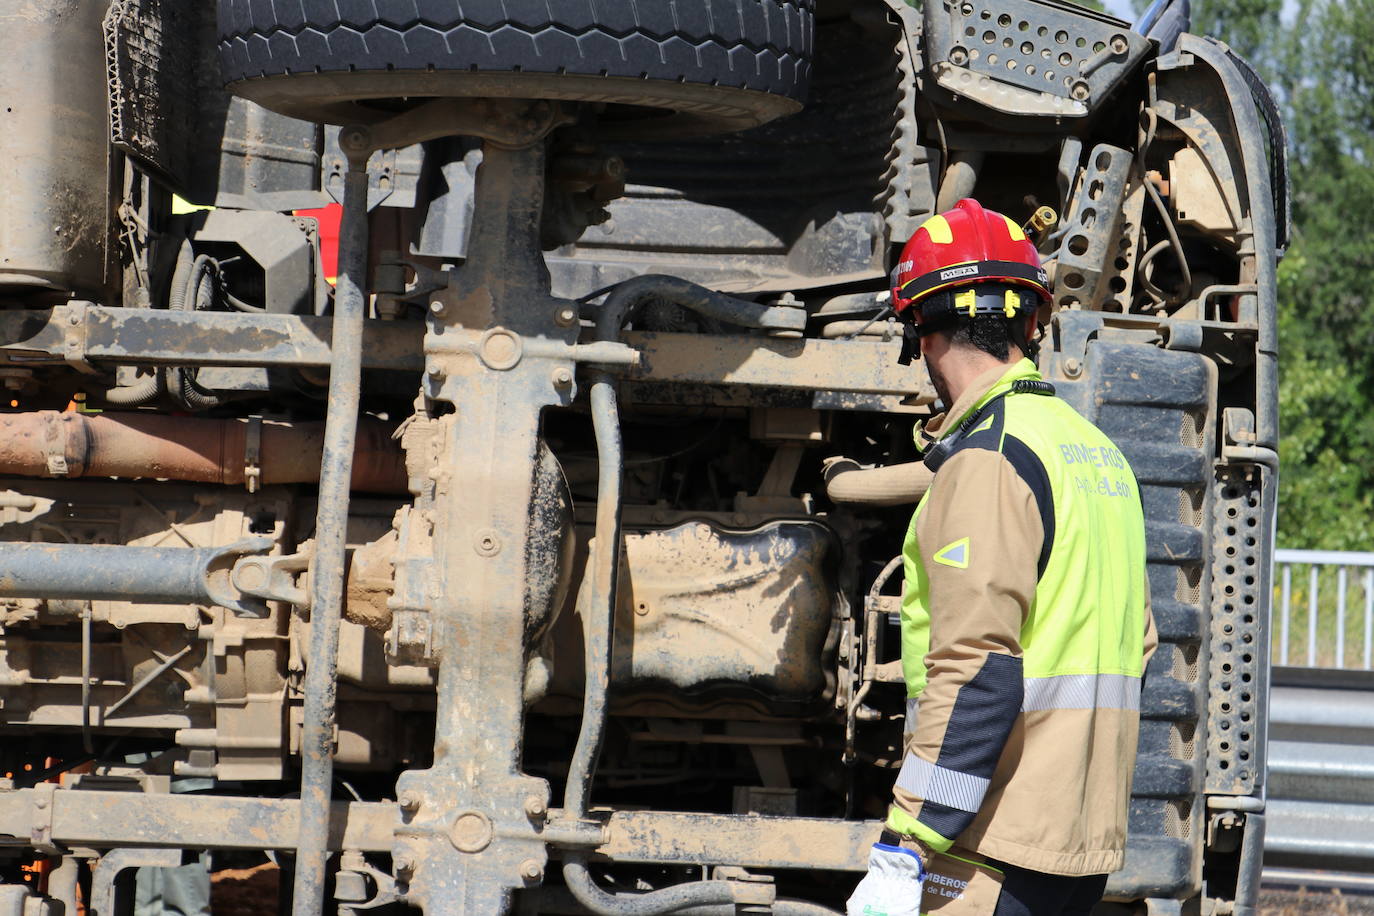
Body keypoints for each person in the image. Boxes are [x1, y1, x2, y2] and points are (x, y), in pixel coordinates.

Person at [846, 199, 1157, 916]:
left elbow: (977, 668)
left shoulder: (988, 460)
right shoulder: (1094, 451)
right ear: (1031, 322)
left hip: (989, 844)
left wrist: (909, 843)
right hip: (1076, 840)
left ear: (921, 332)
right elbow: (1138, 640)